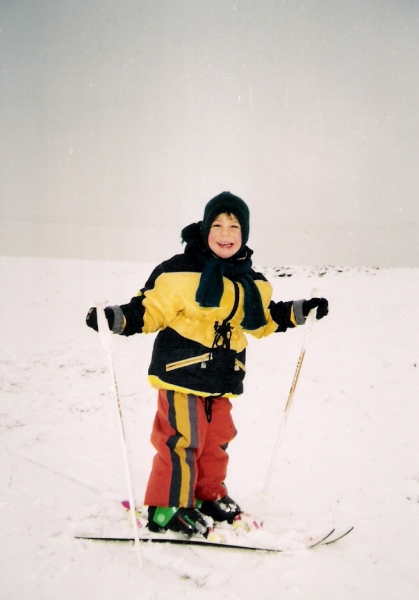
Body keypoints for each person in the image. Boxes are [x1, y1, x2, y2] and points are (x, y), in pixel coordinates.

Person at [86, 192, 328, 537]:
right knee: (181, 440)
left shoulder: (251, 281)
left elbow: (263, 319)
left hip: (223, 378)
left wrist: (300, 311)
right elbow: (149, 310)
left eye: (234, 226)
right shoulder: (178, 272)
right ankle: (167, 506)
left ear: (244, 233)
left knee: (216, 441)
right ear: (205, 229)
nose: (225, 233)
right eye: (217, 225)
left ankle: (207, 494)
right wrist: (116, 318)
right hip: (181, 373)